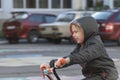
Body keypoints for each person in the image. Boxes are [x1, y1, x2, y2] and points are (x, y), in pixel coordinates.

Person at [40, 16, 118, 80]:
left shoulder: (96, 44)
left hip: (105, 75)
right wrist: (51, 64)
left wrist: (68, 60)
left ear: (86, 30)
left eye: (76, 32)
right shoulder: (81, 46)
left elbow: (85, 55)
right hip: (94, 76)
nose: (73, 35)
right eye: (72, 32)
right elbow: (70, 57)